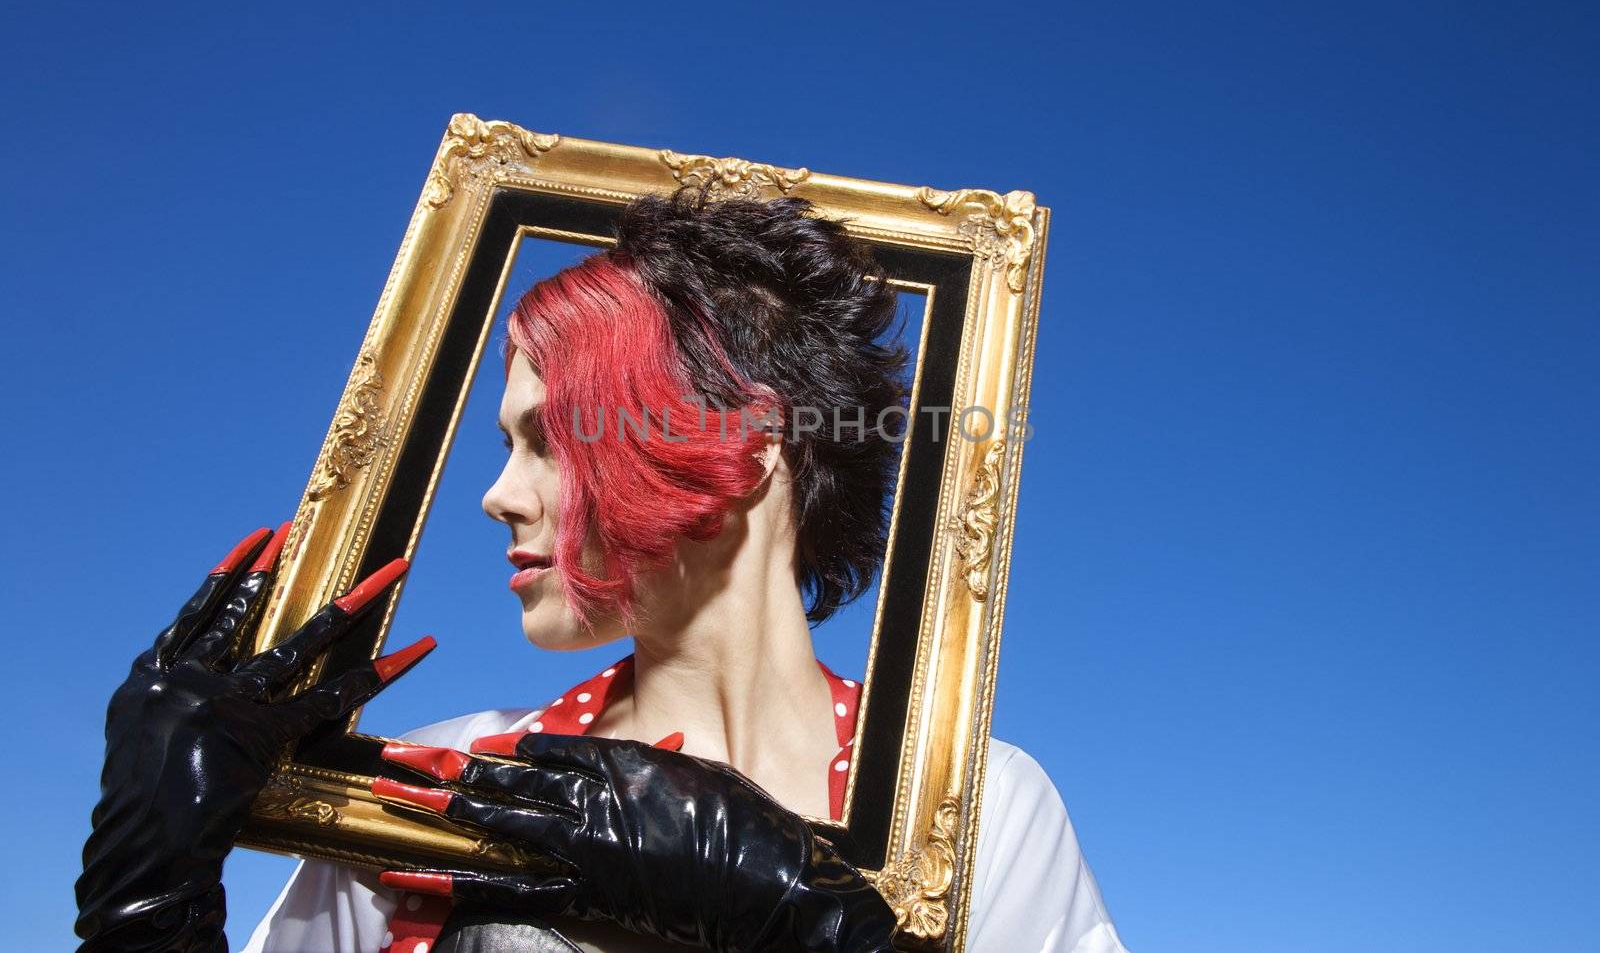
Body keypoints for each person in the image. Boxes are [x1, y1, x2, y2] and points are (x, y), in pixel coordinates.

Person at [76, 186, 1129, 953]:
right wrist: (147, 899)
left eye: (548, 438)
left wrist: (823, 927)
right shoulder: (430, 781)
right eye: (503, 444)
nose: (497, 493)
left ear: (745, 447)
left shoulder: (973, 807)